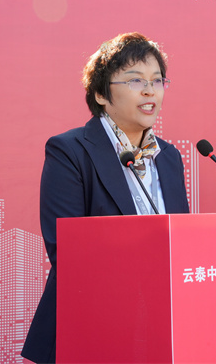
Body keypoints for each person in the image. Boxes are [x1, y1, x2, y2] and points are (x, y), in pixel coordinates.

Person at [21, 32, 190, 363]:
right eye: (135, 80)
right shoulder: (69, 151)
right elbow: (66, 251)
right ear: (100, 93)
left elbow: (178, 243)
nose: (149, 91)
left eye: (157, 80)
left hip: (158, 329)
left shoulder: (169, 156)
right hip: (90, 328)